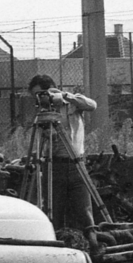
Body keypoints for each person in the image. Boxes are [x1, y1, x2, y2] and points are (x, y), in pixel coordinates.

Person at [27, 73, 98, 231]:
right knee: (53, 212)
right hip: (54, 166)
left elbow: (92, 105)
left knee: (84, 211)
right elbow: (40, 139)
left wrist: (64, 96)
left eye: (40, 95)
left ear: (51, 91)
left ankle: (92, 241)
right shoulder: (42, 112)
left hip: (76, 164)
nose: (38, 100)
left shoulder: (71, 103)